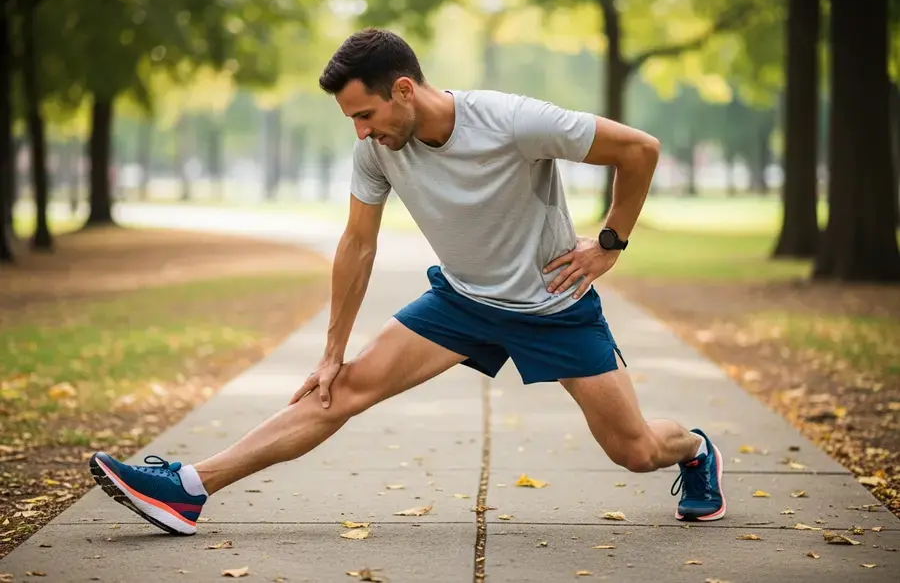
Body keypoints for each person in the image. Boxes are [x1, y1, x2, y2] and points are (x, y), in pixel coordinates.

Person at [88, 28, 726, 536]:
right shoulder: (376, 149)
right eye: (351, 122)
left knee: (636, 450)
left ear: (402, 89)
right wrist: (333, 351)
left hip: (554, 304)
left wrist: (610, 242)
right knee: (340, 389)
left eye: (365, 114)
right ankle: (188, 489)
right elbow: (357, 243)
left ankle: (695, 450)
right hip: (462, 302)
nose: (361, 133)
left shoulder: (511, 121)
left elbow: (638, 149)